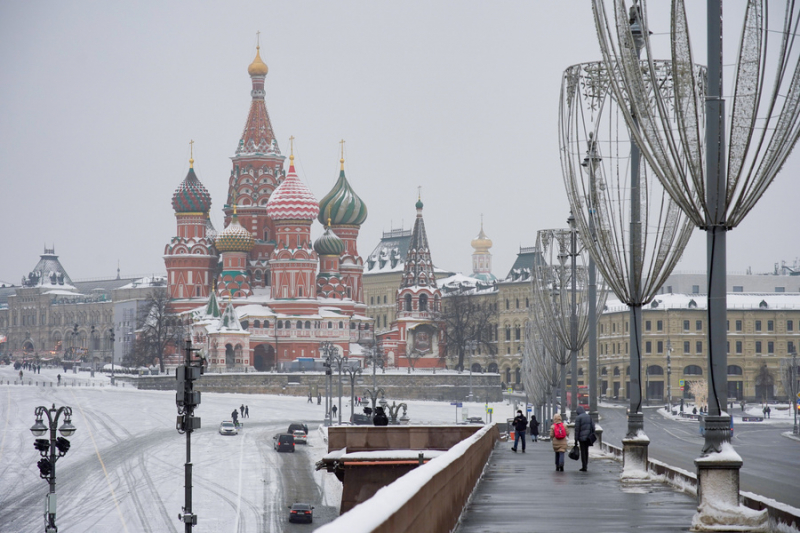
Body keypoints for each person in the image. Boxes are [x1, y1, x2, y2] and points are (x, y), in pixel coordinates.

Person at [573, 406, 595, 472]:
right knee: (586, 451)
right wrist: (591, 434)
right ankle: (586, 465)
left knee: (583, 451)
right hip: (588, 437)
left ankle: (584, 466)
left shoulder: (578, 418)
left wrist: (576, 440)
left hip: (581, 438)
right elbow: (593, 427)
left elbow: (577, 429)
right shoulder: (589, 417)